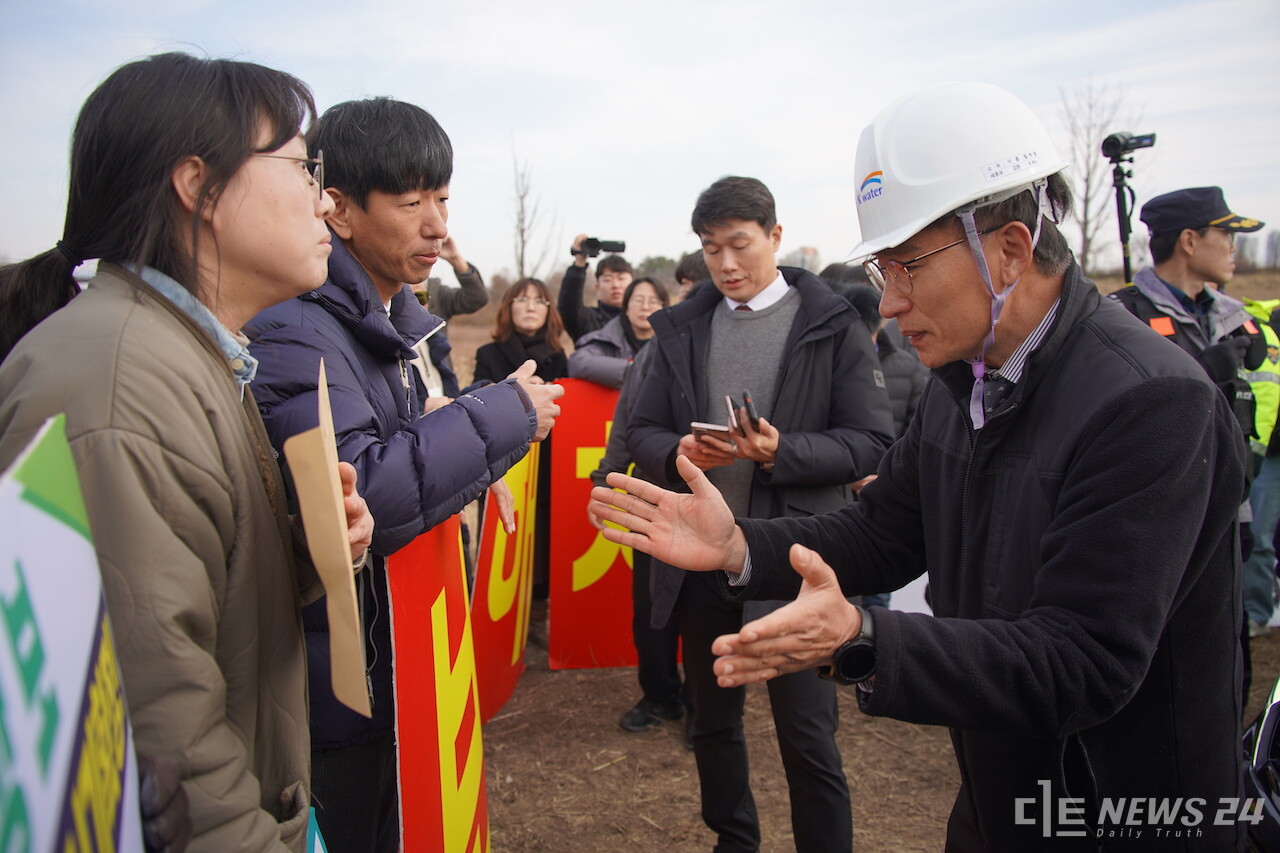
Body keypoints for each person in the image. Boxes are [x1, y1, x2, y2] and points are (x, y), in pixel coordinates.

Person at [591, 82, 1248, 851]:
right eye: (881, 272)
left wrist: (864, 635)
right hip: (999, 795)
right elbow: (884, 529)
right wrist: (739, 545)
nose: (892, 304)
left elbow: (1083, 659)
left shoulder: (1149, 402)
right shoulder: (964, 382)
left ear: (1009, 246)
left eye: (908, 265)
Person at [0, 53, 375, 852]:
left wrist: (306, 551)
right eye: (305, 167)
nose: (325, 199)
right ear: (198, 186)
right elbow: (157, 750)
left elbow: (200, 600)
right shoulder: (117, 386)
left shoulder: (188, 357)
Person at [244, 97, 561, 853]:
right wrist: (506, 417)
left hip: (396, 663)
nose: (437, 224)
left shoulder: (384, 321)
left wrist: (472, 454)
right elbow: (358, 493)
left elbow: (404, 437)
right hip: (342, 694)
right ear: (340, 209)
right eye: (410, 199)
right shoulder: (297, 325)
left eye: (443, 198)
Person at [626, 176, 894, 852]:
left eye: (739, 244)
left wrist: (783, 452)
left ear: (775, 236)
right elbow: (642, 429)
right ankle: (733, 839)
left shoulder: (831, 323)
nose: (725, 264)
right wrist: (677, 451)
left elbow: (870, 440)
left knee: (808, 736)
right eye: (711, 249)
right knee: (712, 722)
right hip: (704, 561)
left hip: (796, 561)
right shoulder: (683, 327)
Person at [585, 278, 688, 742]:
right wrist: (605, 476)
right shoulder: (654, 351)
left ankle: (707, 710)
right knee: (649, 606)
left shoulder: (728, 345)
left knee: (707, 609)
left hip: (717, 502)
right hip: (651, 498)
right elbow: (627, 419)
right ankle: (661, 694)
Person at [569, 276, 670, 388]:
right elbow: (578, 363)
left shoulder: (675, 343)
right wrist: (636, 370)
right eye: (639, 300)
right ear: (626, 307)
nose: (645, 307)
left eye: (653, 301)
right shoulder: (606, 340)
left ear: (664, 307)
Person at [472, 277, 570, 384]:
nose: (531, 308)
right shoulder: (487, 354)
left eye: (539, 301)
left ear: (548, 311)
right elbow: (474, 396)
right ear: (509, 307)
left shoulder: (558, 355)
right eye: (522, 300)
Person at [557, 233, 633, 341]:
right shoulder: (588, 320)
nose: (615, 285)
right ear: (597, 287)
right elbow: (568, 307)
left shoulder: (643, 320)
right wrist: (579, 261)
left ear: (634, 286)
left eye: (621, 279)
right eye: (608, 279)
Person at [415, 234, 489, 319]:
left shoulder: (438, 293)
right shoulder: (396, 287)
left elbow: (478, 299)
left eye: (420, 298)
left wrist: (455, 258)